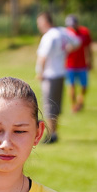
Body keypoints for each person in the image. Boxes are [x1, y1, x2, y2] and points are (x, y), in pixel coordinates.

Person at [35, 12, 80, 144]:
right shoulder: (62, 32)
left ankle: (51, 134)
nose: (39, 26)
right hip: (61, 72)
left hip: (50, 74)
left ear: (45, 22)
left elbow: (43, 57)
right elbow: (77, 42)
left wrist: (40, 72)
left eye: (39, 23)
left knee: (49, 105)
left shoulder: (49, 36)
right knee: (56, 105)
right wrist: (66, 50)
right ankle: (54, 132)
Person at [65, 14, 93, 113]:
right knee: (71, 86)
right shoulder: (66, 33)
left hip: (82, 64)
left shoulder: (85, 32)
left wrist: (90, 61)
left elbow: (88, 48)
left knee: (84, 87)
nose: (72, 27)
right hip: (69, 65)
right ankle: (73, 105)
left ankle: (80, 101)